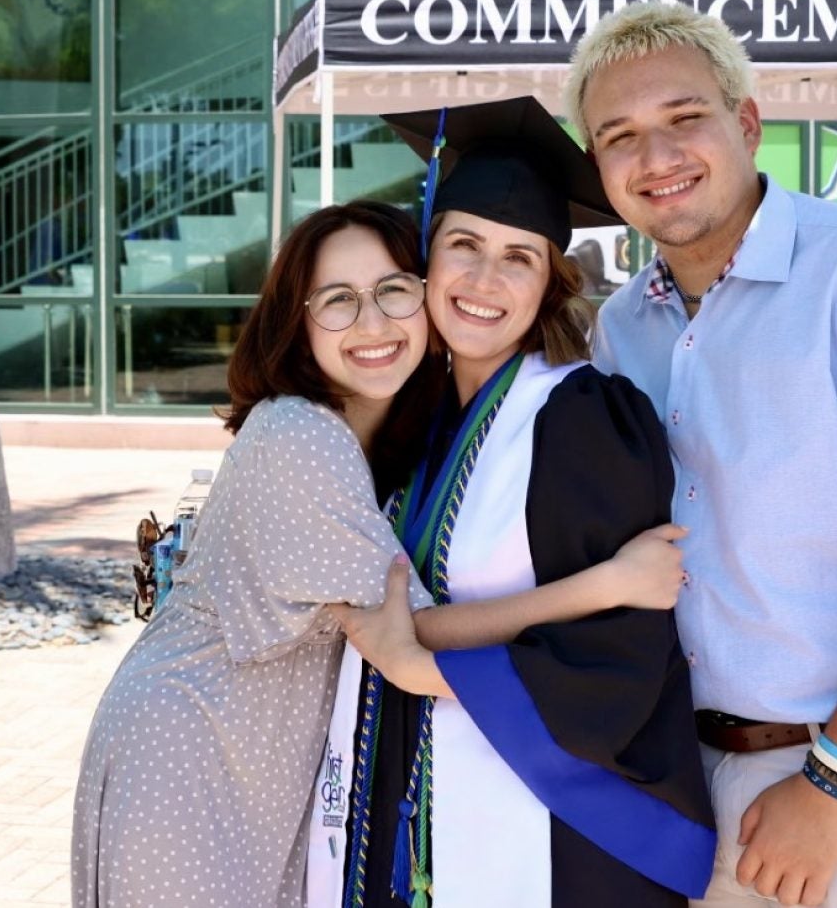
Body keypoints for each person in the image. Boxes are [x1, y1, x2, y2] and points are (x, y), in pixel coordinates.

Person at [70, 201, 687, 908]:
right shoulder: (302, 436)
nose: (372, 323)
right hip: (192, 753)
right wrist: (607, 583)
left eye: (394, 289)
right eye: (338, 300)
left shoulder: (391, 438)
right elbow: (408, 627)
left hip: (258, 764)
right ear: (296, 321)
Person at [562, 1, 837, 908]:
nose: (656, 158)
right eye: (620, 136)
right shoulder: (622, 327)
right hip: (692, 767)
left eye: (684, 118)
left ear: (748, 122)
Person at [312, 98, 716, 908]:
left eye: (518, 257)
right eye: (464, 245)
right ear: (424, 258)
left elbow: (617, 661)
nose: (485, 281)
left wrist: (419, 667)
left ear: (548, 284)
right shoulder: (412, 425)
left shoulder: (581, 419)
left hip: (564, 838)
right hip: (421, 804)